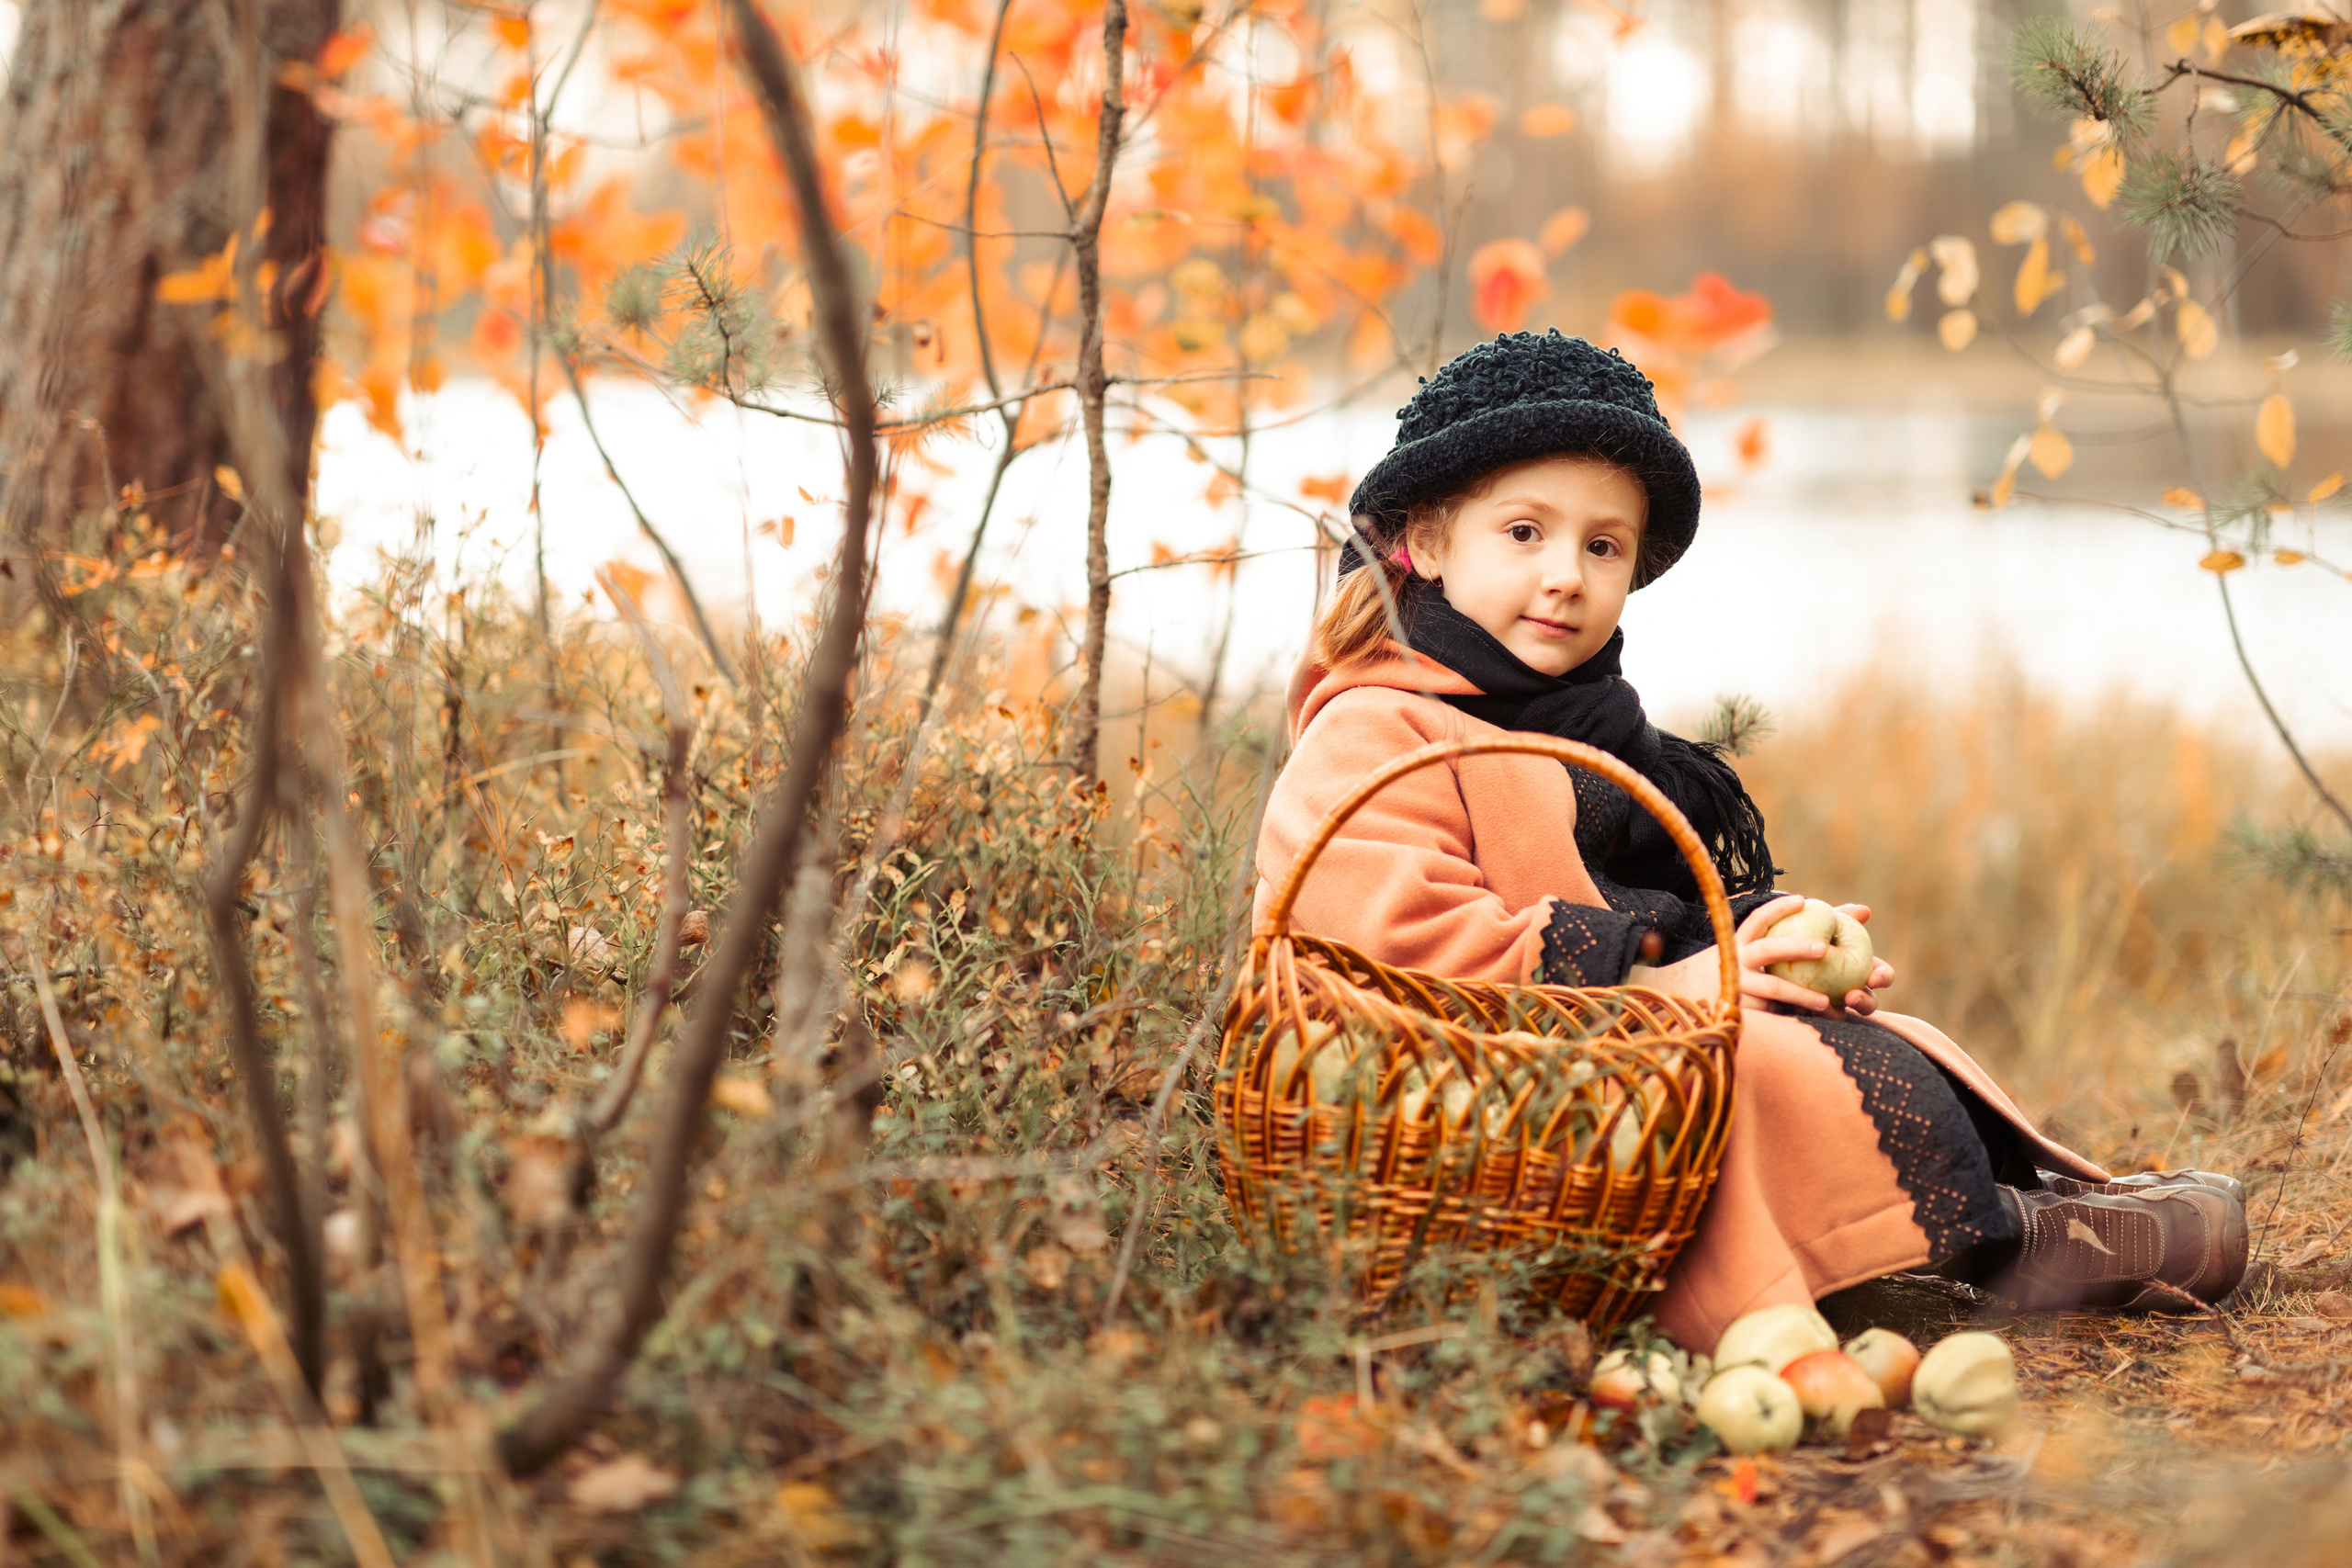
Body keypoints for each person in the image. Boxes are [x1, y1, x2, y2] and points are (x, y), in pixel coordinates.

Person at [1257, 330, 2246, 1349]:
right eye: (1523, 533)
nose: (1565, 576)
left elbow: (1632, 906)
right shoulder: (1376, 726)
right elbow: (1387, 949)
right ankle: (2004, 1246)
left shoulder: (1580, 727)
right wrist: (1656, 991)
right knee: (1760, 1068)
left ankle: (2005, 1201)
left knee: (1845, 1040)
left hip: (1587, 1047)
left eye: (1602, 546)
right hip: (1468, 1093)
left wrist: (1756, 941)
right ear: (1421, 543)